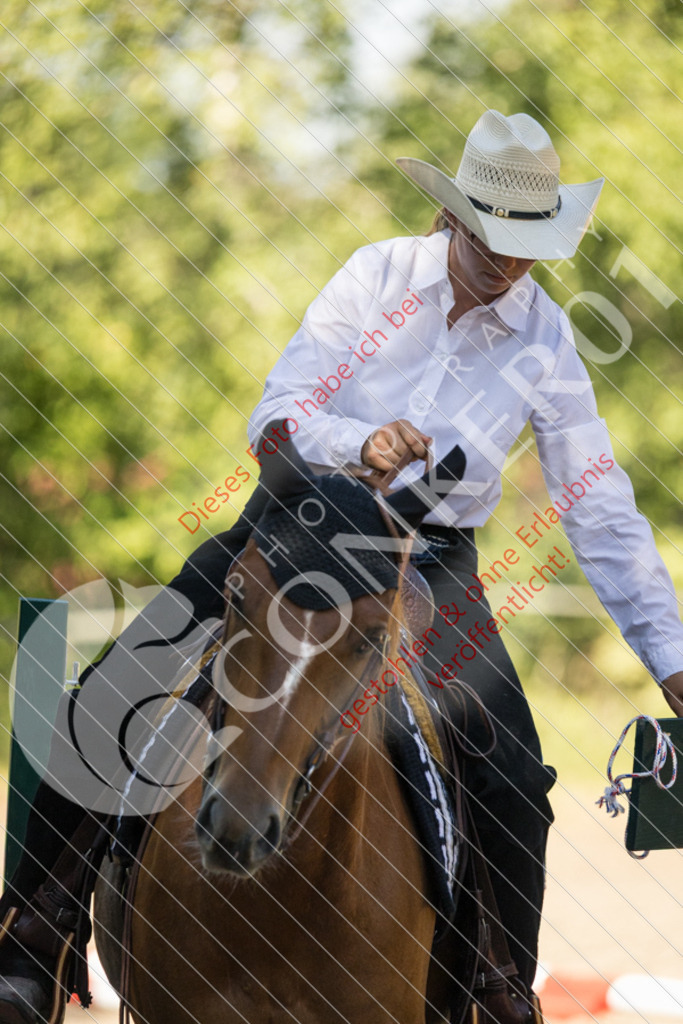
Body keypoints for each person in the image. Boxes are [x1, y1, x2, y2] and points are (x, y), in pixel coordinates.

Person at [1, 109, 681, 1024]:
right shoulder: (376, 275)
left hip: (428, 567)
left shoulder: (549, 340)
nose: (509, 260)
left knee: (513, 776)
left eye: (529, 243)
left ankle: (495, 992)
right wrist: (361, 442)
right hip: (299, 524)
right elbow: (275, 418)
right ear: (455, 215)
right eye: (493, 236)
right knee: (106, 696)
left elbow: (597, 510)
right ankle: (34, 937)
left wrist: (671, 661)